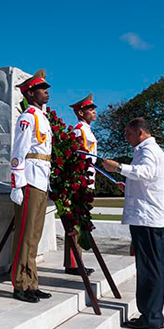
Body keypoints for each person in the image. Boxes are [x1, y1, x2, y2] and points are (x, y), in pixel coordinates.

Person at [103, 118, 164, 329]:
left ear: (140, 132)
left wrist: (119, 167)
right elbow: (145, 179)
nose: (126, 138)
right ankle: (150, 314)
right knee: (152, 268)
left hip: (149, 219)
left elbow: (146, 172)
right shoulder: (147, 150)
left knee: (150, 269)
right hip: (150, 218)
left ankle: (151, 317)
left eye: (129, 134)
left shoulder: (147, 150)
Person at [9, 69, 53, 303]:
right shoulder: (27, 118)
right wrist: (17, 184)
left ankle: (31, 282)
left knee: (34, 236)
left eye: (46, 89)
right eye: (42, 89)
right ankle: (19, 284)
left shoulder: (41, 117)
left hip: (41, 180)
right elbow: (19, 152)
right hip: (29, 181)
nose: (46, 92)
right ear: (30, 93)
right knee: (24, 235)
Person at [64, 94, 97, 276]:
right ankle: (74, 264)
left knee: (79, 223)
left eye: (93, 110)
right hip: (80, 182)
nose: (94, 113)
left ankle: (77, 262)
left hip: (87, 180)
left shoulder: (88, 130)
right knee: (75, 225)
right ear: (80, 112)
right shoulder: (79, 130)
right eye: (90, 110)